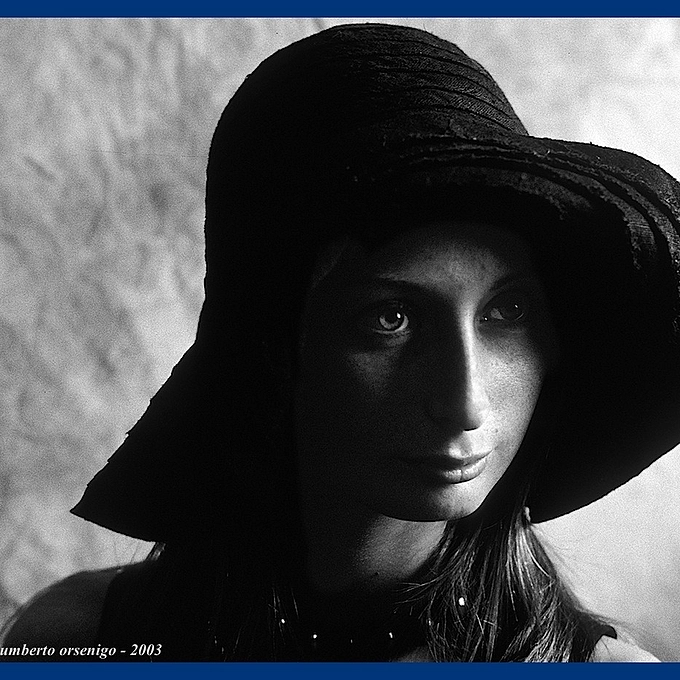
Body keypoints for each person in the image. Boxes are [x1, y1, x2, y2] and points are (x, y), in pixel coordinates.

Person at [2, 22, 679, 662]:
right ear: (277, 346)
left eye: (509, 310)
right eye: (391, 318)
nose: (464, 403)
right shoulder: (78, 640)